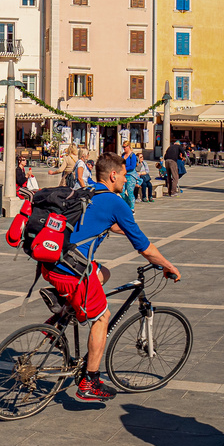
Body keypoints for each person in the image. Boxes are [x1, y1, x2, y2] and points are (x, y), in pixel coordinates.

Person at [43, 154, 181, 402]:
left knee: (104, 273)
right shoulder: (116, 202)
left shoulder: (86, 191)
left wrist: (125, 225)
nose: (127, 177)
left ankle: (62, 313)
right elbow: (145, 248)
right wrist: (167, 265)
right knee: (102, 317)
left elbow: (107, 222)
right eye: (124, 173)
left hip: (52, 263)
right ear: (113, 175)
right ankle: (90, 382)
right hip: (72, 273)